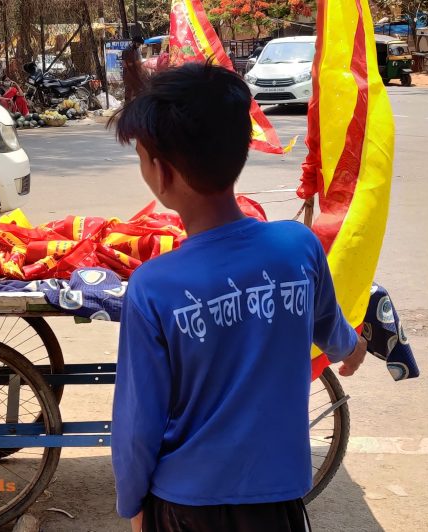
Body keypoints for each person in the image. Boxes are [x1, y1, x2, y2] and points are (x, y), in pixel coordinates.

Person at [110, 63, 368, 532]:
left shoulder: (153, 286)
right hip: (279, 501)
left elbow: (136, 424)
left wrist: (133, 507)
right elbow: (330, 329)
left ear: (161, 172)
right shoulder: (299, 246)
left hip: (184, 504)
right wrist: (352, 350)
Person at [121, 35, 145, 103]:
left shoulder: (137, 50)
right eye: (138, 44)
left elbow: (138, 61)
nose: (139, 46)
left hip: (136, 74)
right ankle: (127, 109)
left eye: (140, 44)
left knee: (138, 92)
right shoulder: (126, 51)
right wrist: (134, 64)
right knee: (129, 92)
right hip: (128, 74)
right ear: (133, 42)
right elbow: (124, 64)